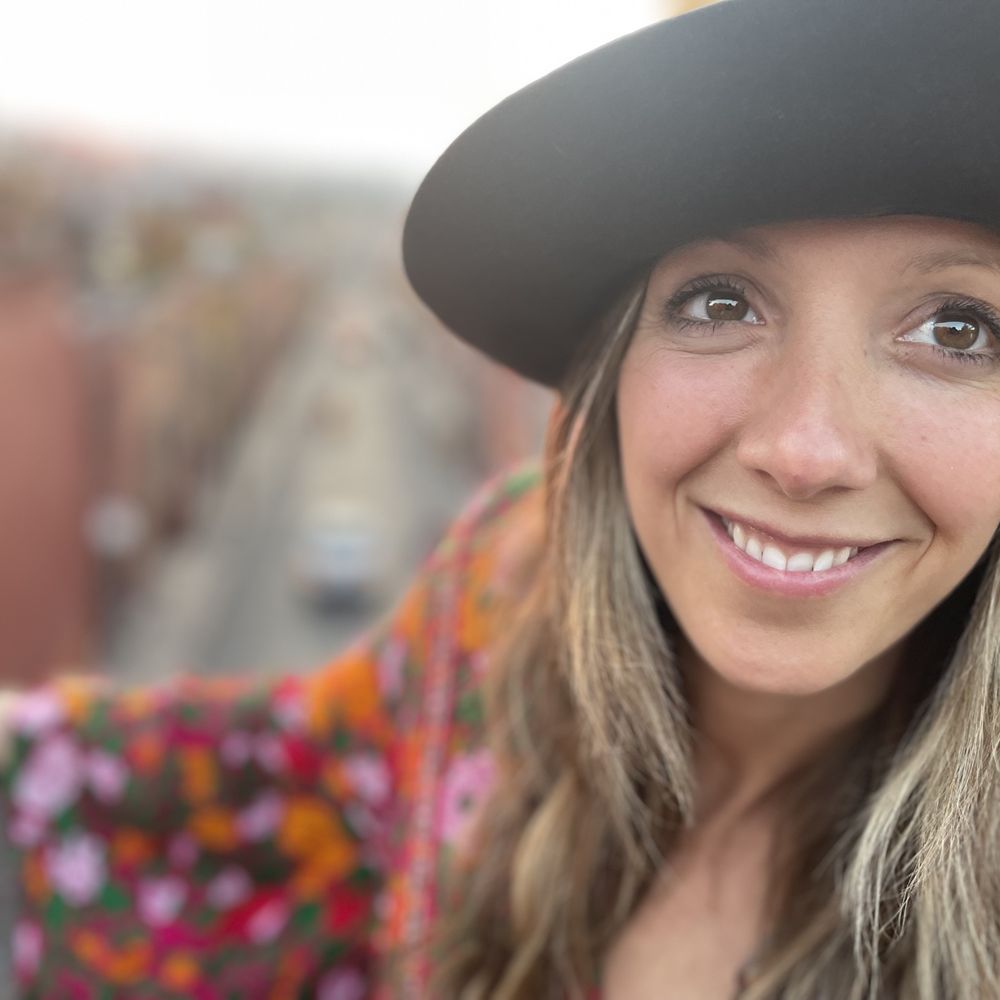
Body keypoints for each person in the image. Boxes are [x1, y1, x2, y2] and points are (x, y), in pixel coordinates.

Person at [4, 0, 1000, 997]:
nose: (803, 451)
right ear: (617, 362)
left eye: (957, 330)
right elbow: (263, 777)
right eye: (720, 301)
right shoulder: (503, 595)